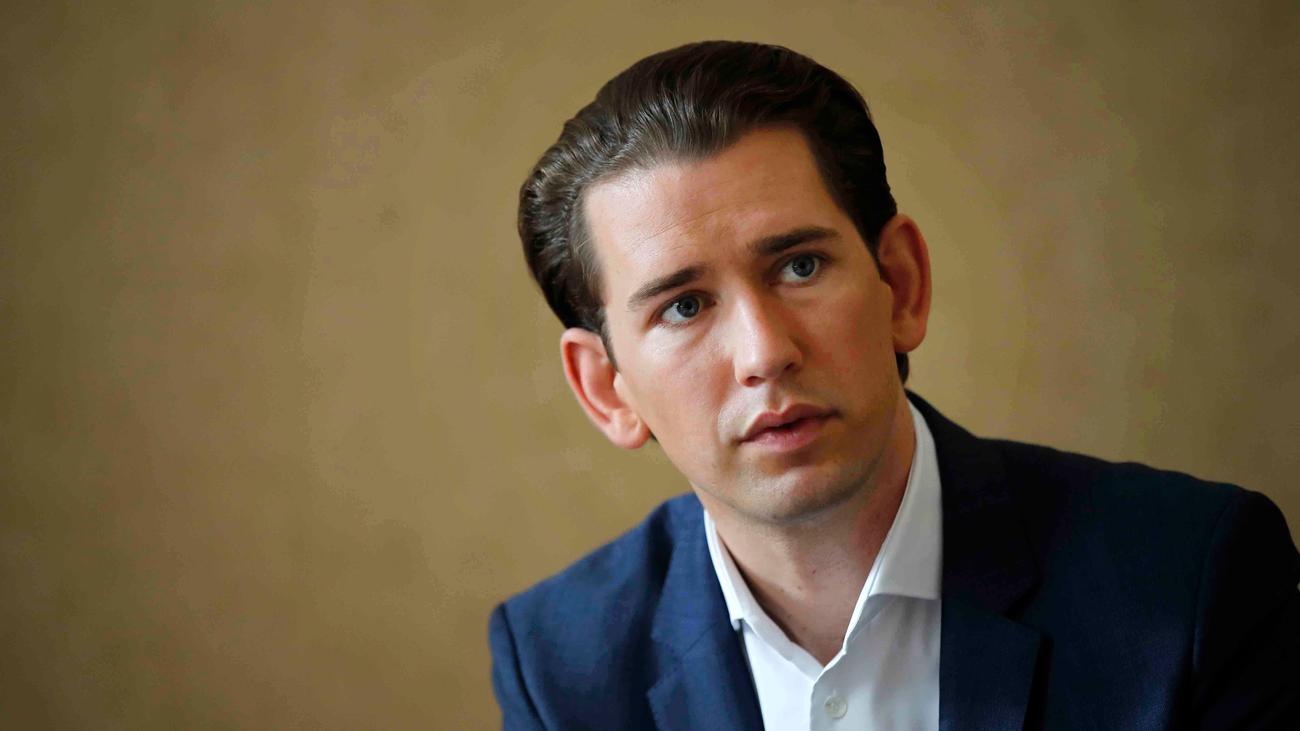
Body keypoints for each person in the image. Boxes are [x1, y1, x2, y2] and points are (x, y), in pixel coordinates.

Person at [489, 40, 1300, 730]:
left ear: (901, 285)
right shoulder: (557, 662)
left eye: (799, 266)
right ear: (608, 389)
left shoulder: (1193, 580)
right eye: (684, 306)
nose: (765, 352)